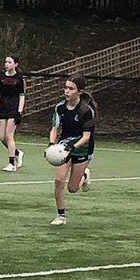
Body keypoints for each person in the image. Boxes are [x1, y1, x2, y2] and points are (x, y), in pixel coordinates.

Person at [47, 75, 97, 226]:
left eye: (71, 89)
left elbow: (86, 136)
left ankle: (85, 174)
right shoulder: (60, 108)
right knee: (58, 180)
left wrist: (73, 147)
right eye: (66, 88)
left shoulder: (86, 111)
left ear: (79, 91)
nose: (66, 91)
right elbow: (54, 128)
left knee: (73, 188)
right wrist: (52, 144)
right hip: (64, 148)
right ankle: (60, 215)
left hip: (82, 149)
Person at [0, 54, 26, 171]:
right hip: (2, 109)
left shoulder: (19, 79)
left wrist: (19, 112)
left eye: (10, 62)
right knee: (2, 137)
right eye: (6, 62)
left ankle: (11, 164)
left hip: (13, 110)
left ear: (16, 64)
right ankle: (17, 152)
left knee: (9, 136)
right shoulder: (0, 79)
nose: (7, 64)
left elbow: (22, 97)